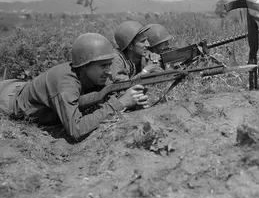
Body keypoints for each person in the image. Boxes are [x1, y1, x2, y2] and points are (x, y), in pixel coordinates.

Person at [0, 33, 149, 141]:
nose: (109, 71)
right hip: (7, 98)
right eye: (103, 65)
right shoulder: (65, 84)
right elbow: (76, 130)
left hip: (19, 86)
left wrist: (133, 98)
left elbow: (106, 95)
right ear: (84, 66)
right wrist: (120, 103)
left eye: (109, 64)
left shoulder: (94, 75)